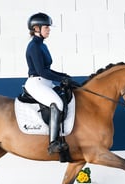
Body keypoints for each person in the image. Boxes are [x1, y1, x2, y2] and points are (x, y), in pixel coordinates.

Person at [25, 12, 77, 155]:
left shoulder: (42, 45)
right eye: (46, 27)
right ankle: (53, 143)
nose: (48, 30)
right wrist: (61, 79)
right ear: (36, 28)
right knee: (58, 104)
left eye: (48, 27)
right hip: (37, 83)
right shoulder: (34, 46)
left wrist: (64, 76)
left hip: (45, 82)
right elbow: (41, 71)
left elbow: (47, 70)